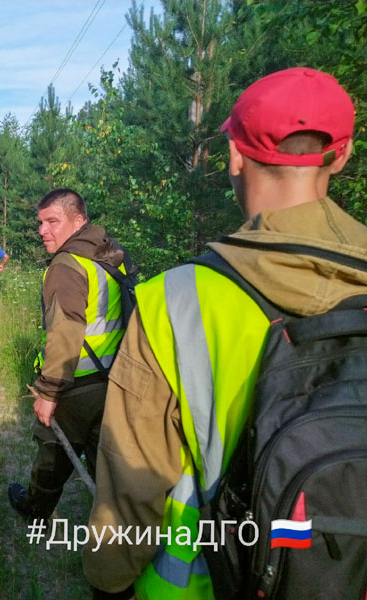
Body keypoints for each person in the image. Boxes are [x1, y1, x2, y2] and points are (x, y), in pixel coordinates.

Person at [83, 68, 365, 600]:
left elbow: (131, 479)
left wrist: (107, 579)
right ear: (341, 156)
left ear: (235, 157)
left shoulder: (176, 300)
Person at [8, 189, 130, 525]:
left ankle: (35, 508)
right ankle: (115, 526)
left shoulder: (66, 265)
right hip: (113, 377)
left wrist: (48, 392)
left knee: (51, 452)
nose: (42, 230)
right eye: (40, 223)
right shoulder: (108, 256)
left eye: (52, 221)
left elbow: (65, 332)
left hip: (75, 383)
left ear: (78, 221)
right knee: (104, 459)